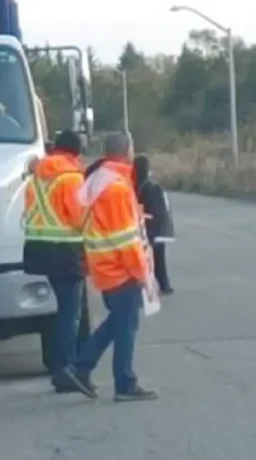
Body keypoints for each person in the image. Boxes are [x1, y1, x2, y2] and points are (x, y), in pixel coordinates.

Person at [61, 133, 158, 402]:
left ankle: (81, 367)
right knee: (126, 326)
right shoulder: (116, 187)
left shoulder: (97, 179)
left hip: (102, 263)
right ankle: (124, 383)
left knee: (117, 322)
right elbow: (125, 239)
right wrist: (143, 273)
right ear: (127, 151)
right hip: (119, 268)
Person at [22, 130, 89, 394]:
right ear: (76, 151)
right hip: (66, 250)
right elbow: (79, 217)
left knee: (63, 310)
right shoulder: (70, 177)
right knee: (69, 314)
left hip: (39, 248)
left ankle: (62, 365)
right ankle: (65, 370)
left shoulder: (38, 175)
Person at [134, 155, 175, 295]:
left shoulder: (139, 186)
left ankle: (153, 286)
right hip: (154, 228)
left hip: (146, 227)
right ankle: (163, 285)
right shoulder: (151, 186)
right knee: (158, 259)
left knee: (150, 260)